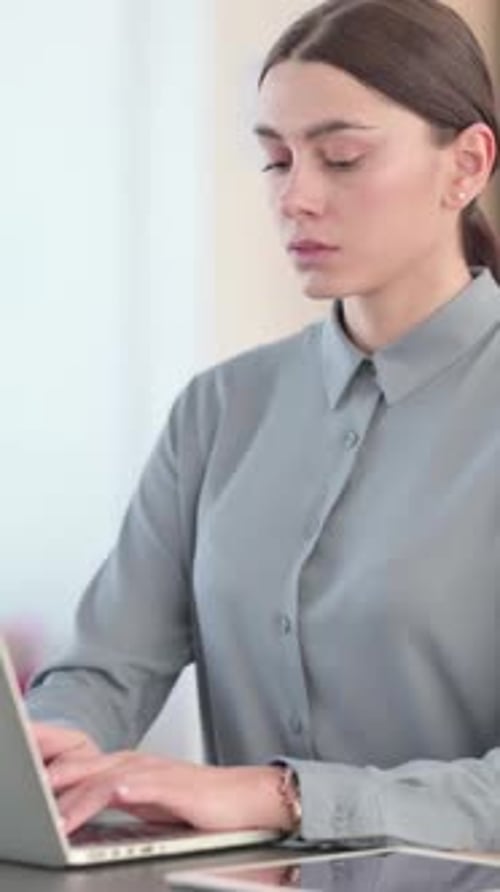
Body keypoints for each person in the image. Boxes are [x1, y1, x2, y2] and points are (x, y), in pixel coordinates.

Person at [26, 0, 500, 851]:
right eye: (276, 160)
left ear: (466, 165)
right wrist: (48, 760)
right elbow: (105, 670)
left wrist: (283, 795)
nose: (296, 197)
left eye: (342, 157)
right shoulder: (220, 409)